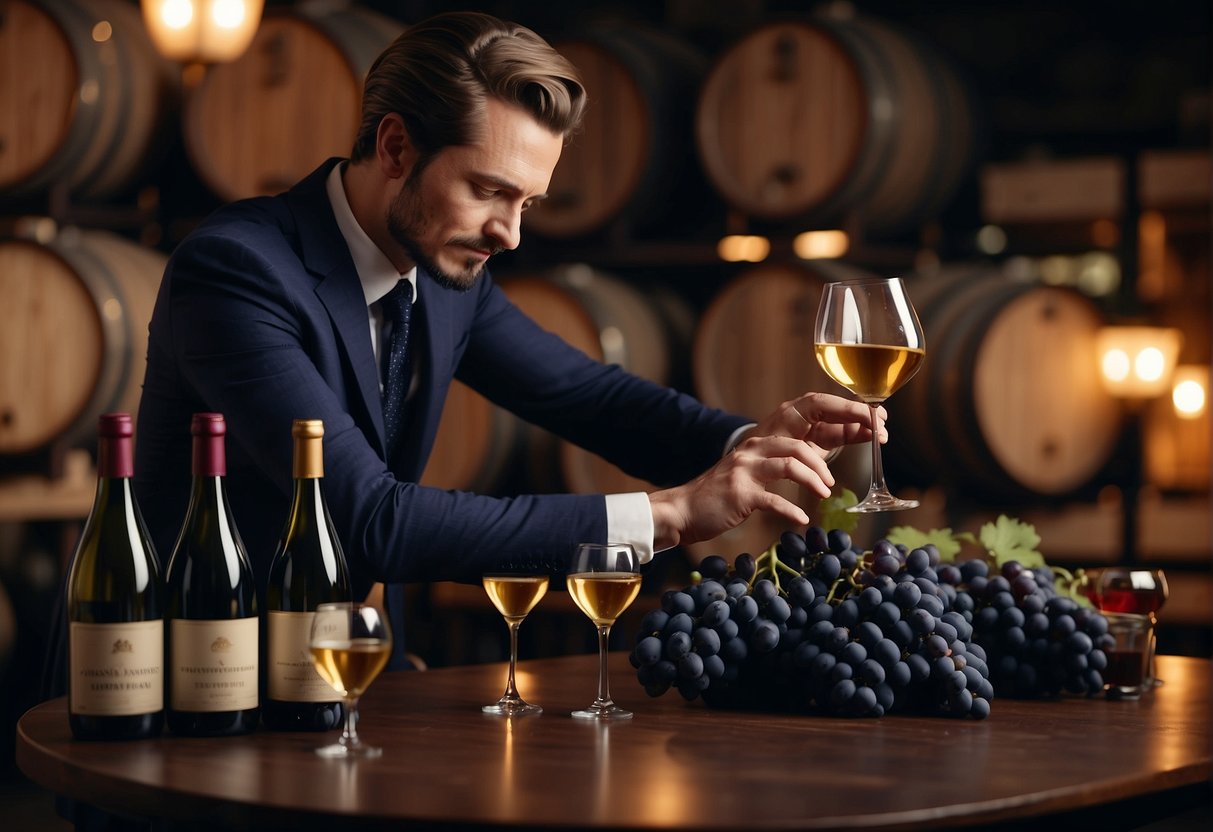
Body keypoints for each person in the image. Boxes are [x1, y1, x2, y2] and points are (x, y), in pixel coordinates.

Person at [132, 11, 885, 665]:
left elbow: (587, 396)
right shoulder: (235, 272)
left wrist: (752, 445)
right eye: (489, 190)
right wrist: (667, 516)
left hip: (342, 675)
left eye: (527, 200)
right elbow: (368, 521)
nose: (510, 232)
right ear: (395, 148)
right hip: (195, 687)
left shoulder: (443, 270)